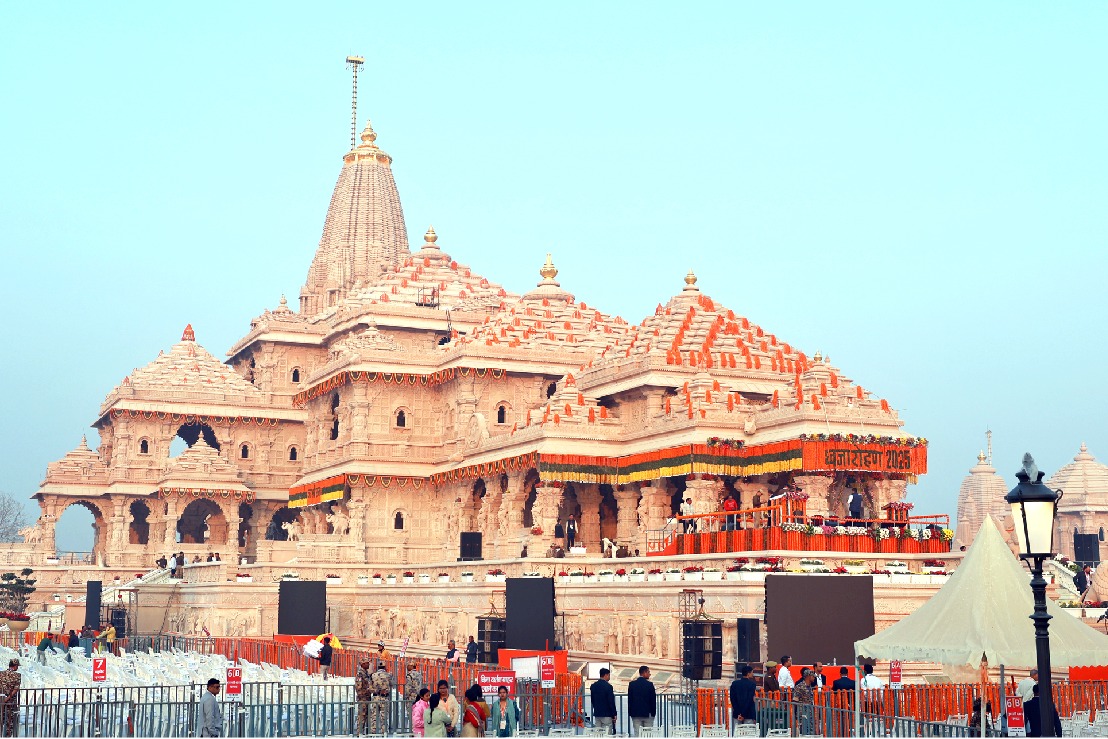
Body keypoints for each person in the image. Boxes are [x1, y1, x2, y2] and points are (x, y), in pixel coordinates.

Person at [627, 665, 656, 735]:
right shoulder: (649, 684)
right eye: (648, 672)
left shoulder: (632, 684)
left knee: (637, 734)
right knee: (648, 734)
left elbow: (630, 700)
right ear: (644, 673)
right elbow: (653, 700)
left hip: (635, 714)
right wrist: (653, 713)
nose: (649, 674)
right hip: (647, 714)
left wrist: (630, 713)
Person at [590, 667, 617, 733]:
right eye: (609, 675)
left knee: (598, 733)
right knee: (607, 733)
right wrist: (614, 714)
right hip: (607, 714)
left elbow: (592, 700)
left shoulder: (593, 686)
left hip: (597, 713)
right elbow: (611, 701)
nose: (609, 677)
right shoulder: (608, 686)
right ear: (606, 675)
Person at [369, 660, 393, 734]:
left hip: (375, 698)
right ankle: (384, 733)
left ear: (378, 667)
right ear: (385, 667)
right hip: (384, 698)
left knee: (374, 717)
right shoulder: (388, 675)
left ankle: (373, 733)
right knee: (384, 717)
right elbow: (391, 685)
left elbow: (370, 688)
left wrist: (377, 690)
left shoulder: (373, 675)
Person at [0, 658, 20, 738]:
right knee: (9, 721)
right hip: (10, 701)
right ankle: (7, 736)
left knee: (1, 718)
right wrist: (7, 698)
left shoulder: (1, 674)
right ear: (15, 666)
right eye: (17, 666)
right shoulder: (17, 676)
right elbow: (16, 689)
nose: (17, 667)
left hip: (1, 700)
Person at [793, 669, 816, 736]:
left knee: (810, 731)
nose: (814, 677)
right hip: (802, 714)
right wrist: (796, 717)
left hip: (809, 713)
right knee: (803, 732)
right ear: (808, 676)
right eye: (812, 676)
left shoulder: (809, 687)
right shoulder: (800, 687)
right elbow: (795, 701)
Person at [355, 657, 373, 735]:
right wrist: (364, 693)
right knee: (362, 716)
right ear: (363, 664)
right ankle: (359, 733)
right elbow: (358, 687)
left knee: (366, 716)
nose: (368, 664)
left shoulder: (365, 673)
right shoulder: (360, 673)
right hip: (363, 698)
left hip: (367, 697)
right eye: (367, 663)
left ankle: (365, 733)